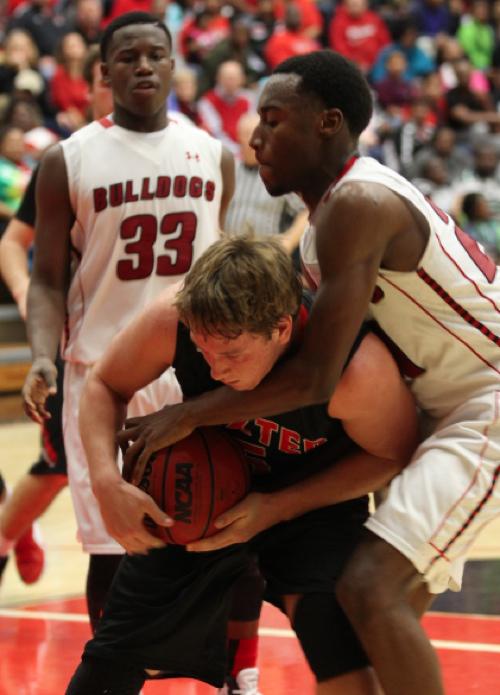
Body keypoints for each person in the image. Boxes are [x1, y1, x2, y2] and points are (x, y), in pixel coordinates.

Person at [119, 50, 500, 695]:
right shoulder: (328, 220)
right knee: (377, 610)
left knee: (369, 587)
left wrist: (188, 413)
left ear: (327, 123)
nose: (254, 137)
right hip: (436, 408)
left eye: (273, 120)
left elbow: (317, 378)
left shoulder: (358, 203)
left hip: (484, 400)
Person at [66, 235, 418, 695]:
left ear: (281, 329)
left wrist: (278, 506)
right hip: (201, 495)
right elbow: (104, 383)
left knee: (334, 638)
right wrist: (106, 483)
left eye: (231, 354)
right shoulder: (175, 316)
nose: (213, 369)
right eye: (203, 349)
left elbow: (392, 454)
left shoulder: (355, 368)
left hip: (314, 501)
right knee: (114, 653)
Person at [21, 11, 234, 634]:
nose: (143, 65)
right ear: (105, 71)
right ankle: (111, 675)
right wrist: (41, 355)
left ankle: (222, 673)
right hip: (102, 377)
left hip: (195, 373)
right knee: (113, 548)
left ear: (173, 65)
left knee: (210, 532)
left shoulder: (214, 156)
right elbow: (48, 278)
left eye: (156, 54)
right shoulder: (67, 160)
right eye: (129, 56)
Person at [0, 44, 113, 587]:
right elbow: (12, 243)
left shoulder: (178, 155)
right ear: (89, 89)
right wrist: (26, 293)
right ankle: (6, 533)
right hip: (77, 346)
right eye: (105, 79)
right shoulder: (66, 160)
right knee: (59, 467)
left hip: (147, 346)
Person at [224, 111, 307, 259]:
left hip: (265, 260)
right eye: (246, 134)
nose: (252, 140)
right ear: (238, 137)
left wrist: (288, 242)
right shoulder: (230, 170)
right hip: (230, 259)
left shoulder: (280, 173)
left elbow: (307, 211)